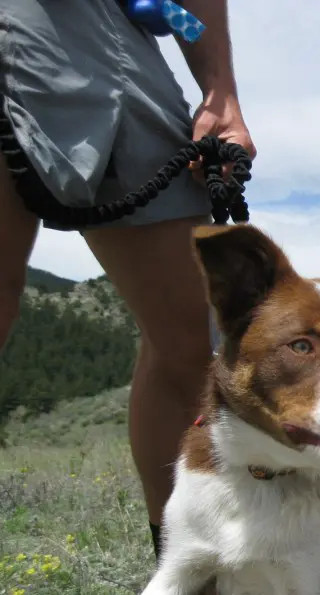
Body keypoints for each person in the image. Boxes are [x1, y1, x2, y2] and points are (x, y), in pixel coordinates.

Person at [0, 1, 256, 565]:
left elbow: (191, 10)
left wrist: (221, 92)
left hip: (104, 39)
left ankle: (185, 579)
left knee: (193, 341)